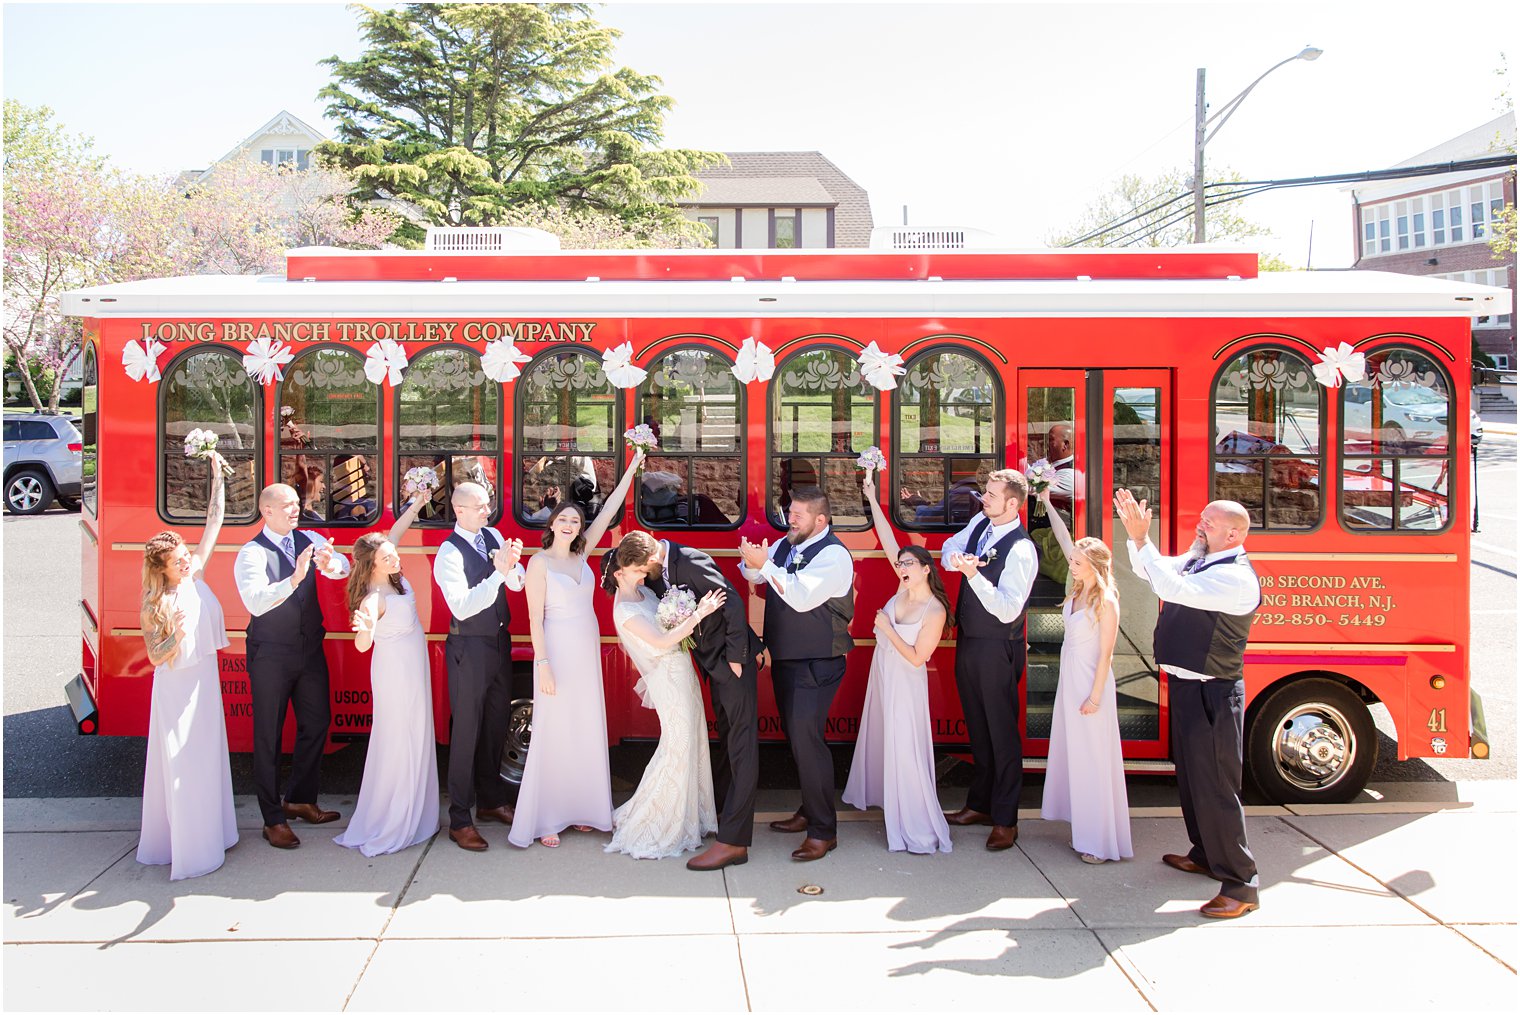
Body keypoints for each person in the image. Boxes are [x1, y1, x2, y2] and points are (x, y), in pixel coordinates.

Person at [1115, 488, 1262, 919]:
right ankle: (1203, 853)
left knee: (1217, 789)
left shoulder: (1235, 577)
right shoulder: (1202, 559)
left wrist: (1143, 540)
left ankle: (1241, 884)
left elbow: (1168, 585)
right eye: (1202, 519)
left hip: (1213, 692)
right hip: (1186, 686)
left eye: (1209, 523)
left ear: (1234, 535)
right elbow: (1150, 573)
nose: (1200, 526)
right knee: (1193, 781)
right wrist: (1135, 537)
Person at [509, 450, 645, 849]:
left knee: (584, 728)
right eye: (563, 519)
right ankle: (548, 816)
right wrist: (544, 665)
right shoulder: (539, 564)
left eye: (575, 521)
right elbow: (535, 620)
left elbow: (609, 509)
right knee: (554, 731)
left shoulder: (583, 556)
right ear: (551, 524)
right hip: (556, 652)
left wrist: (633, 467)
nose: (570, 525)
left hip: (584, 652)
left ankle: (584, 809)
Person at [738, 486, 856, 862]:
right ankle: (809, 811)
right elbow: (756, 577)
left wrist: (765, 565)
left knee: (809, 743)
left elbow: (801, 597)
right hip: (788, 658)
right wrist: (751, 562)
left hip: (818, 662)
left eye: (799, 515)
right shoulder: (787, 543)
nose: (791, 519)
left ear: (821, 520)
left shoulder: (834, 555)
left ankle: (823, 831)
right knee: (797, 741)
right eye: (790, 513)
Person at [636, 531, 765, 871]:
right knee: (727, 741)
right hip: (714, 666)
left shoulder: (690, 560)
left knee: (741, 746)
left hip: (731, 663)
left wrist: (737, 657)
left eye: (639, 569)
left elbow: (732, 601)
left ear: (650, 559)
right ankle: (723, 815)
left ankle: (734, 843)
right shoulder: (658, 570)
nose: (639, 576)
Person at [841, 468, 953, 855]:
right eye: (900, 563)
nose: (902, 567)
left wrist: (887, 630)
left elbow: (920, 659)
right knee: (882, 737)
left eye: (910, 563)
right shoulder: (902, 586)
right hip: (884, 675)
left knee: (905, 747)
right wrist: (871, 496)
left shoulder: (934, 609)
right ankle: (886, 799)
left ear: (927, 569)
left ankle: (915, 824)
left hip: (906, 683)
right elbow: (889, 541)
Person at [234, 483, 352, 850]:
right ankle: (272, 819)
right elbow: (255, 602)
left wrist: (331, 563)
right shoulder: (251, 553)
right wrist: (294, 579)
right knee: (268, 736)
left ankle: (301, 799)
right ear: (265, 510)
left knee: (317, 722)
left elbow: (343, 567)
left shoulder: (310, 537)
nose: (294, 510)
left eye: (297, 504)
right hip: (271, 652)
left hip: (309, 650)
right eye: (286, 506)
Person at [137, 450, 237, 880]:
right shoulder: (155, 603)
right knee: (181, 762)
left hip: (204, 683)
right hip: (176, 688)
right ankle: (188, 849)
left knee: (207, 757)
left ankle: (214, 834)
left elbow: (213, 523)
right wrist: (175, 633)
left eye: (183, 553)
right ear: (162, 568)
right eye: (176, 559)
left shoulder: (195, 575)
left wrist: (217, 478)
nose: (185, 559)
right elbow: (155, 656)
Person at [601, 539, 726, 859]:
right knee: (677, 745)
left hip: (681, 670)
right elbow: (662, 638)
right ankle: (658, 819)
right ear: (618, 573)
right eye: (637, 570)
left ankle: (689, 815)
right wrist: (698, 613)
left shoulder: (644, 593)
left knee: (691, 740)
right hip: (666, 679)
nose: (645, 574)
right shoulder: (625, 611)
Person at [939, 469, 1039, 851]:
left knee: (1001, 734)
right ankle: (979, 804)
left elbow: (1010, 609)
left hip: (998, 646)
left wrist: (974, 576)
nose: (984, 499)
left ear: (1012, 504)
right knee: (977, 728)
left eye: (992, 495)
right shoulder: (981, 522)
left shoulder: (1022, 548)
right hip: (970, 640)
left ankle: (1005, 819)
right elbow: (950, 547)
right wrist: (958, 560)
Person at [335, 492, 438, 856]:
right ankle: (395, 819)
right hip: (395, 671)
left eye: (392, 553)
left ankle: (416, 811)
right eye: (386, 556)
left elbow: (395, 532)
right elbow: (364, 645)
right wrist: (364, 627)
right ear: (372, 566)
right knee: (400, 738)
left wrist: (417, 501)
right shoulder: (373, 598)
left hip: (413, 664)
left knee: (416, 732)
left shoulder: (391, 572)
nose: (395, 556)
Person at [1036, 485, 1132, 864]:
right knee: (1075, 754)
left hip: (1091, 684)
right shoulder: (1076, 590)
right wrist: (1044, 502)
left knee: (1093, 758)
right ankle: (1082, 829)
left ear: (1095, 566)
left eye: (1077, 562)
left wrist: (1094, 697)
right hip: (1070, 679)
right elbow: (1063, 538)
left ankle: (1098, 841)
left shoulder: (1105, 601)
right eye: (1073, 560)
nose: (1070, 564)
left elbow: (1107, 655)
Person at [432, 481, 526, 852]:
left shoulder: (493, 535)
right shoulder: (448, 553)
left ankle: (490, 800)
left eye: (487, 504)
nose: (487, 511)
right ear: (459, 510)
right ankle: (459, 817)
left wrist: (512, 566)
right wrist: (499, 572)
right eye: (479, 507)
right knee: (467, 731)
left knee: (495, 723)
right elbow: (463, 606)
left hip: (499, 643)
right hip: (468, 647)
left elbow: (515, 585)